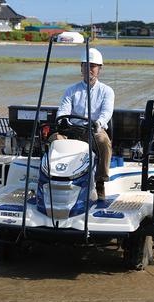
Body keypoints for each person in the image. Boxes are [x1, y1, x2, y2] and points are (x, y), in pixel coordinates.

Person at [51, 48, 114, 201]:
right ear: (81, 68)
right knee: (54, 139)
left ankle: (100, 182)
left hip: (94, 130)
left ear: (99, 69)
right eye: (85, 66)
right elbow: (63, 109)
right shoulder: (71, 90)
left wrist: (98, 123)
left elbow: (106, 113)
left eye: (92, 66)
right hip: (73, 130)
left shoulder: (107, 91)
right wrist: (63, 120)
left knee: (103, 141)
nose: (88, 69)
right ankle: (56, 179)